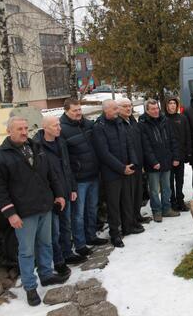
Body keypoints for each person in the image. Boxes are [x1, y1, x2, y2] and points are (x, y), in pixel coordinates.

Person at [0, 117, 68, 306]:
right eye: (19, 129)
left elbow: (50, 173)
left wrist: (59, 194)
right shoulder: (2, 155)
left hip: (44, 205)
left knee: (45, 244)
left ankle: (46, 274)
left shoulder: (36, 147)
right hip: (23, 212)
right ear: (9, 131)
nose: (23, 132)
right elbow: (0, 189)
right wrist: (10, 213)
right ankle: (30, 287)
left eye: (26, 128)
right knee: (27, 251)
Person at [33, 116, 86, 277]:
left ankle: (67, 254)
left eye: (59, 125)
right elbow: (40, 175)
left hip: (65, 190)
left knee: (66, 225)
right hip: (52, 197)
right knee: (53, 232)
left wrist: (72, 188)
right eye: (55, 126)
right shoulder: (37, 146)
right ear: (45, 128)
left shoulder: (60, 142)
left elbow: (67, 167)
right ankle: (58, 261)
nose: (59, 128)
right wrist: (55, 195)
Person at [60, 98, 108, 256]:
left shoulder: (86, 124)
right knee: (78, 214)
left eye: (79, 110)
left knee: (92, 209)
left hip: (93, 174)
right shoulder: (62, 130)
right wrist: (71, 182)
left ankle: (91, 236)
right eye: (75, 111)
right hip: (79, 179)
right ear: (66, 111)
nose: (78, 113)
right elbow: (65, 160)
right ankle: (80, 244)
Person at [93, 99, 139, 247]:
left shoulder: (119, 122)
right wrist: (121, 168)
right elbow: (103, 153)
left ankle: (127, 227)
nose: (117, 111)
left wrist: (132, 162)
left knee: (126, 200)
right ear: (106, 110)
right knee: (113, 205)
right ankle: (115, 234)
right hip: (112, 173)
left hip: (126, 169)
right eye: (114, 109)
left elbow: (128, 144)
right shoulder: (99, 127)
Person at [139, 99, 181, 222]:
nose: (156, 111)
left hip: (167, 160)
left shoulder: (165, 120)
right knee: (153, 189)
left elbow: (173, 139)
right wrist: (153, 162)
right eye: (152, 109)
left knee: (167, 187)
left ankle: (166, 209)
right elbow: (146, 146)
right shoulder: (143, 124)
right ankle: (157, 211)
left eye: (157, 108)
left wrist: (176, 157)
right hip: (153, 164)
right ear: (147, 110)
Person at [117, 98, 151, 224]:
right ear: (118, 108)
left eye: (130, 106)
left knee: (138, 193)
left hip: (138, 163)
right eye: (125, 106)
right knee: (129, 196)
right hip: (128, 165)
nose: (128, 108)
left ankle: (137, 215)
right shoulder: (119, 123)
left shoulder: (132, 121)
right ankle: (130, 220)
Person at [164, 97, 192, 212]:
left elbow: (187, 136)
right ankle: (173, 202)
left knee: (179, 180)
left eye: (174, 103)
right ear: (166, 105)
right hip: (167, 156)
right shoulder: (163, 119)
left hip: (180, 155)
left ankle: (180, 200)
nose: (172, 105)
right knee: (169, 181)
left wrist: (188, 152)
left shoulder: (182, 118)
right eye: (170, 103)